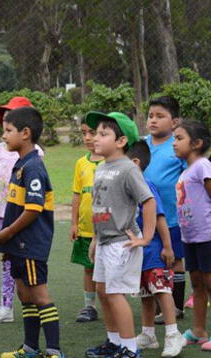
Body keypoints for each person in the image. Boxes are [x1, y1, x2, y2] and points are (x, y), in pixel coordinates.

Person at [84, 111, 156, 358]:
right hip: (105, 242)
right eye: (96, 133)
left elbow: (148, 201)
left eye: (104, 133)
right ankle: (114, 342)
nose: (96, 138)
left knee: (115, 294)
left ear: (121, 141)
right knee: (103, 293)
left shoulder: (128, 169)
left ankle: (130, 348)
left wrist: (145, 238)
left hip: (121, 243)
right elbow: (99, 206)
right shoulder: (102, 168)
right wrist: (95, 239)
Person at [0, 107, 63, 358]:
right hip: (17, 245)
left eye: (8, 131)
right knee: (25, 295)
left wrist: (8, 233)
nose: (4, 136)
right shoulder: (21, 164)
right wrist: (8, 247)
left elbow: (33, 209)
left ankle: (54, 351)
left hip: (30, 244)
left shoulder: (34, 166)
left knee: (39, 294)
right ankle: (30, 348)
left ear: (25, 133)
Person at [0, 96, 44, 325]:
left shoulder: (35, 153)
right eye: (5, 118)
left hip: (22, 213)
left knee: (25, 262)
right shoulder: (0, 149)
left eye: (11, 117)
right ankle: (6, 306)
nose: (5, 124)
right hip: (2, 212)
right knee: (6, 260)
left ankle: (34, 301)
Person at [125, 141, 186, 357]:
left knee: (161, 289)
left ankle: (172, 334)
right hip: (139, 253)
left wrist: (168, 247)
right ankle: (148, 333)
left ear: (134, 163)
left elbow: (160, 218)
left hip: (154, 250)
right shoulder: (128, 187)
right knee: (145, 293)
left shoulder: (146, 185)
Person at [144, 96, 187, 321]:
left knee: (175, 260)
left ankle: (176, 306)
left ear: (174, 122)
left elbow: (190, 175)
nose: (153, 120)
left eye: (160, 116)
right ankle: (159, 304)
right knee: (154, 260)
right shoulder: (141, 145)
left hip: (172, 216)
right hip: (147, 218)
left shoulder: (177, 146)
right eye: (151, 116)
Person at [173, 120, 211, 350]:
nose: (174, 143)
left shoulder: (203, 166)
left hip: (207, 235)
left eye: (179, 139)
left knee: (209, 282)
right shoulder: (186, 171)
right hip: (191, 237)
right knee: (196, 283)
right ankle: (198, 330)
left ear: (196, 143)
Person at [69, 120, 103, 323]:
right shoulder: (81, 163)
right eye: (84, 133)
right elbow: (77, 195)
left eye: (93, 132)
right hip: (86, 229)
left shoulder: (114, 161)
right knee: (88, 267)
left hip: (108, 230)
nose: (88, 138)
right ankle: (89, 307)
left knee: (108, 268)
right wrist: (74, 224)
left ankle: (113, 302)